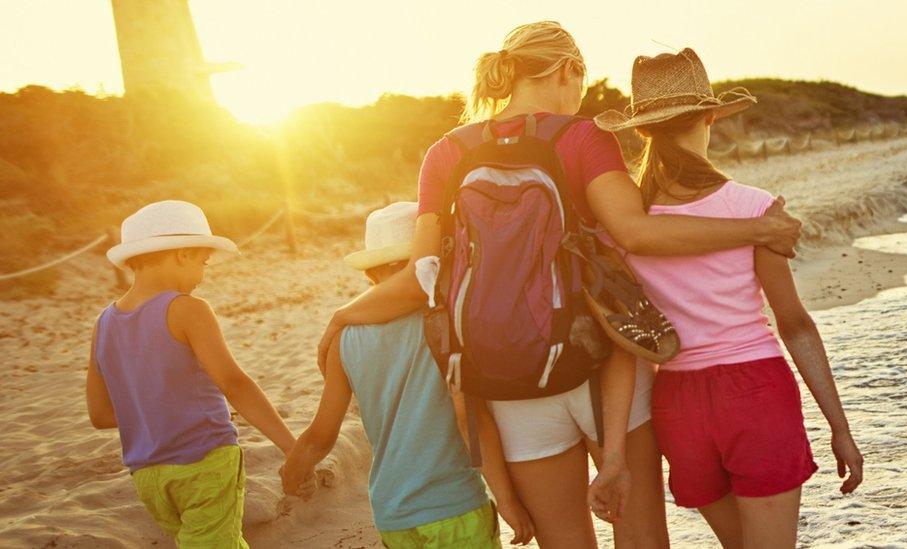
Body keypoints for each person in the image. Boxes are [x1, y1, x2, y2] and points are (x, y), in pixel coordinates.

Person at [317, 22, 803, 549]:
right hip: (596, 367)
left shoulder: (446, 152)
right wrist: (756, 228)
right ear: (568, 69)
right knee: (640, 538)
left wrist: (344, 314)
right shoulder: (582, 137)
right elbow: (636, 234)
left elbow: (420, 277)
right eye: (582, 77)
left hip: (511, 384)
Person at [594, 48, 865, 548]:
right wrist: (840, 427)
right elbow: (795, 325)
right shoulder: (753, 208)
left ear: (642, 130)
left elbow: (622, 333)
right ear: (711, 115)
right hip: (755, 392)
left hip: (676, 402)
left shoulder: (626, 225)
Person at [280, 202, 535, 548]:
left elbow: (321, 436)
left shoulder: (344, 339)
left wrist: (293, 473)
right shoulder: (447, 323)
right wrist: (507, 500)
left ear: (371, 276)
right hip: (453, 507)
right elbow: (469, 419)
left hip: (393, 518)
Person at [86, 200, 303, 548]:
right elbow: (234, 384)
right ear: (182, 254)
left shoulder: (104, 323)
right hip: (204, 462)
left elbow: (100, 414)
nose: (202, 276)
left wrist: (156, 412)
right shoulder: (188, 309)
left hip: (148, 476)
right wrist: (293, 449)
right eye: (203, 263)